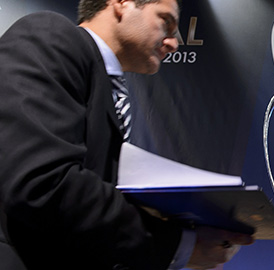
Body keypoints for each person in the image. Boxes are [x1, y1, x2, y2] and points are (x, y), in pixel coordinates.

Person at [0, 0, 253, 269]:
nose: (173, 43)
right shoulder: (49, 35)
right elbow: (43, 182)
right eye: (165, 23)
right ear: (121, 4)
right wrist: (179, 244)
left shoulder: (107, 89)